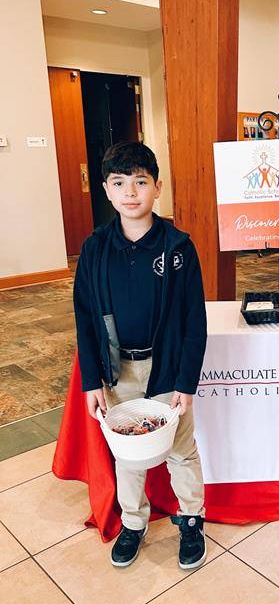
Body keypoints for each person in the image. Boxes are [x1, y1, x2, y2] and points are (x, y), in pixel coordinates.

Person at [73, 141, 207, 569]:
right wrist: (92, 379)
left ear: (157, 188)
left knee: (180, 450)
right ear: (107, 191)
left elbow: (193, 322)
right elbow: (85, 319)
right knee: (128, 452)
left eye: (140, 182)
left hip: (166, 368)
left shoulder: (178, 248)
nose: (130, 192)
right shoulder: (95, 250)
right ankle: (134, 521)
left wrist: (186, 383)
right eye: (119, 183)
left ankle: (191, 519)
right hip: (118, 372)